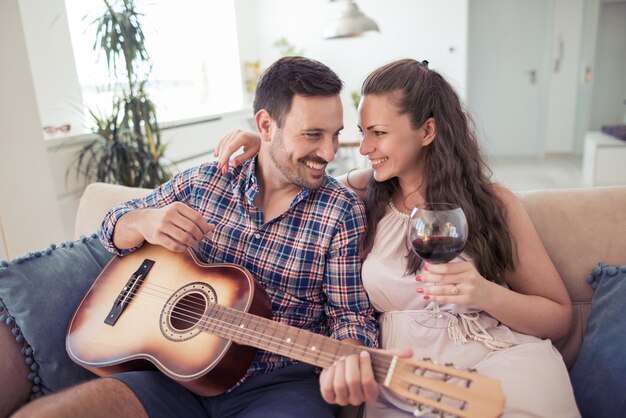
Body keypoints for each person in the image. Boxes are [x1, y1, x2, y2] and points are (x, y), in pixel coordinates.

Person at [12, 56, 382, 418]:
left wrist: (350, 354)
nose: (329, 152)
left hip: (279, 385)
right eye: (313, 135)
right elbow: (113, 226)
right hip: (171, 378)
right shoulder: (205, 181)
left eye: (335, 135)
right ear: (266, 126)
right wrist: (143, 221)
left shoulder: (341, 211)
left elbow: (350, 315)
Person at [214, 59, 581, 417]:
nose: (363, 148)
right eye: (361, 132)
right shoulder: (361, 196)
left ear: (427, 131)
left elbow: (560, 318)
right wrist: (266, 143)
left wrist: (485, 293)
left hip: (498, 359)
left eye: (378, 132)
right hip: (403, 379)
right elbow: (297, 173)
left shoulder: (492, 204)